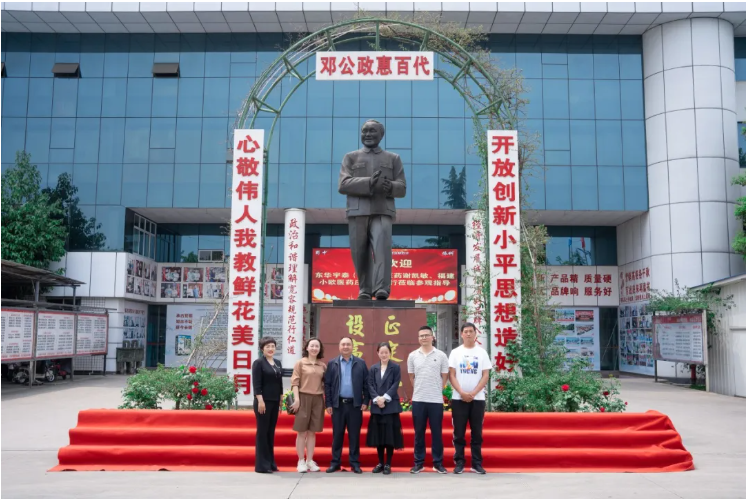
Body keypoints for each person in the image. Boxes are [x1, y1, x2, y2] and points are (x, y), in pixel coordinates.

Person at [338, 119, 407, 300]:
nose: (368, 134)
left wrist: (390, 186)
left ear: (381, 135)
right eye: (364, 131)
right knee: (359, 252)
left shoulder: (393, 158)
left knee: (382, 248)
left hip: (382, 209)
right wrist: (369, 182)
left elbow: (402, 188)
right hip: (357, 210)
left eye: (372, 131)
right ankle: (365, 289)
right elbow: (343, 184)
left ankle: (382, 288)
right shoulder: (350, 157)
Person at [448, 323, 491, 475]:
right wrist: (461, 392)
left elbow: (485, 375)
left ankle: (476, 463)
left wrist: (473, 392)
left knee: (477, 433)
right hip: (458, 399)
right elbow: (451, 375)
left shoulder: (482, 353)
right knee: (459, 433)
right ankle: (459, 462)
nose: (468, 334)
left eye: (471, 331)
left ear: (475, 334)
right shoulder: (455, 352)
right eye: (465, 331)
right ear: (461, 334)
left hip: (477, 399)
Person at [407, 325, 449, 474]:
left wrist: (437, 388)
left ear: (432, 337)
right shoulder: (412, 356)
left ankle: (438, 463)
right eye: (421, 336)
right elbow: (411, 377)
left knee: (436, 433)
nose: (424, 338)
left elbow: (445, 376)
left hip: (435, 400)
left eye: (426, 335)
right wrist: (420, 388)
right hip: (419, 399)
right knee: (419, 433)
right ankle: (418, 463)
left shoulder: (441, 355)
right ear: (418, 338)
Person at [324, 337, 369, 473]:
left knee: (354, 436)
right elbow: (328, 385)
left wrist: (365, 401)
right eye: (343, 344)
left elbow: (366, 384)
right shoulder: (333, 363)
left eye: (348, 344)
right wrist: (329, 403)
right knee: (337, 435)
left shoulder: (360, 363)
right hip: (338, 405)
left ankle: (354, 463)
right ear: (339, 347)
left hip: (355, 405)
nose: (345, 347)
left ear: (352, 346)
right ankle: (335, 462)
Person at [366, 342, 404, 475]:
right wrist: (377, 399)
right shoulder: (373, 368)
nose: (384, 355)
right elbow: (370, 385)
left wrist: (385, 398)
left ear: (390, 353)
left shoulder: (395, 367)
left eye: (386, 352)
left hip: (390, 406)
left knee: (389, 436)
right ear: (378, 353)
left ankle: (388, 463)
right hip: (377, 407)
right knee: (379, 437)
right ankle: (381, 463)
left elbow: (395, 384)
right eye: (381, 352)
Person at [290, 338, 327, 473]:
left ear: (320, 349)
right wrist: (297, 399)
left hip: (318, 399)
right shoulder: (300, 363)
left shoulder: (322, 365)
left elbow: (326, 384)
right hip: (303, 397)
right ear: (307, 348)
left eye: (317, 346)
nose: (314, 348)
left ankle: (310, 460)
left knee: (312, 432)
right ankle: (301, 461)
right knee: (302, 432)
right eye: (312, 346)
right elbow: (295, 383)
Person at [252, 337, 283, 473]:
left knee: (271, 432)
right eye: (267, 346)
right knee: (263, 432)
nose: (271, 349)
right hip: (263, 402)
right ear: (262, 349)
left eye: (273, 346)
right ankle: (262, 465)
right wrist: (260, 400)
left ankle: (270, 463)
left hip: (275, 401)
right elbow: (256, 384)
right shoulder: (258, 363)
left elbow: (279, 383)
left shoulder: (277, 363)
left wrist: (281, 399)